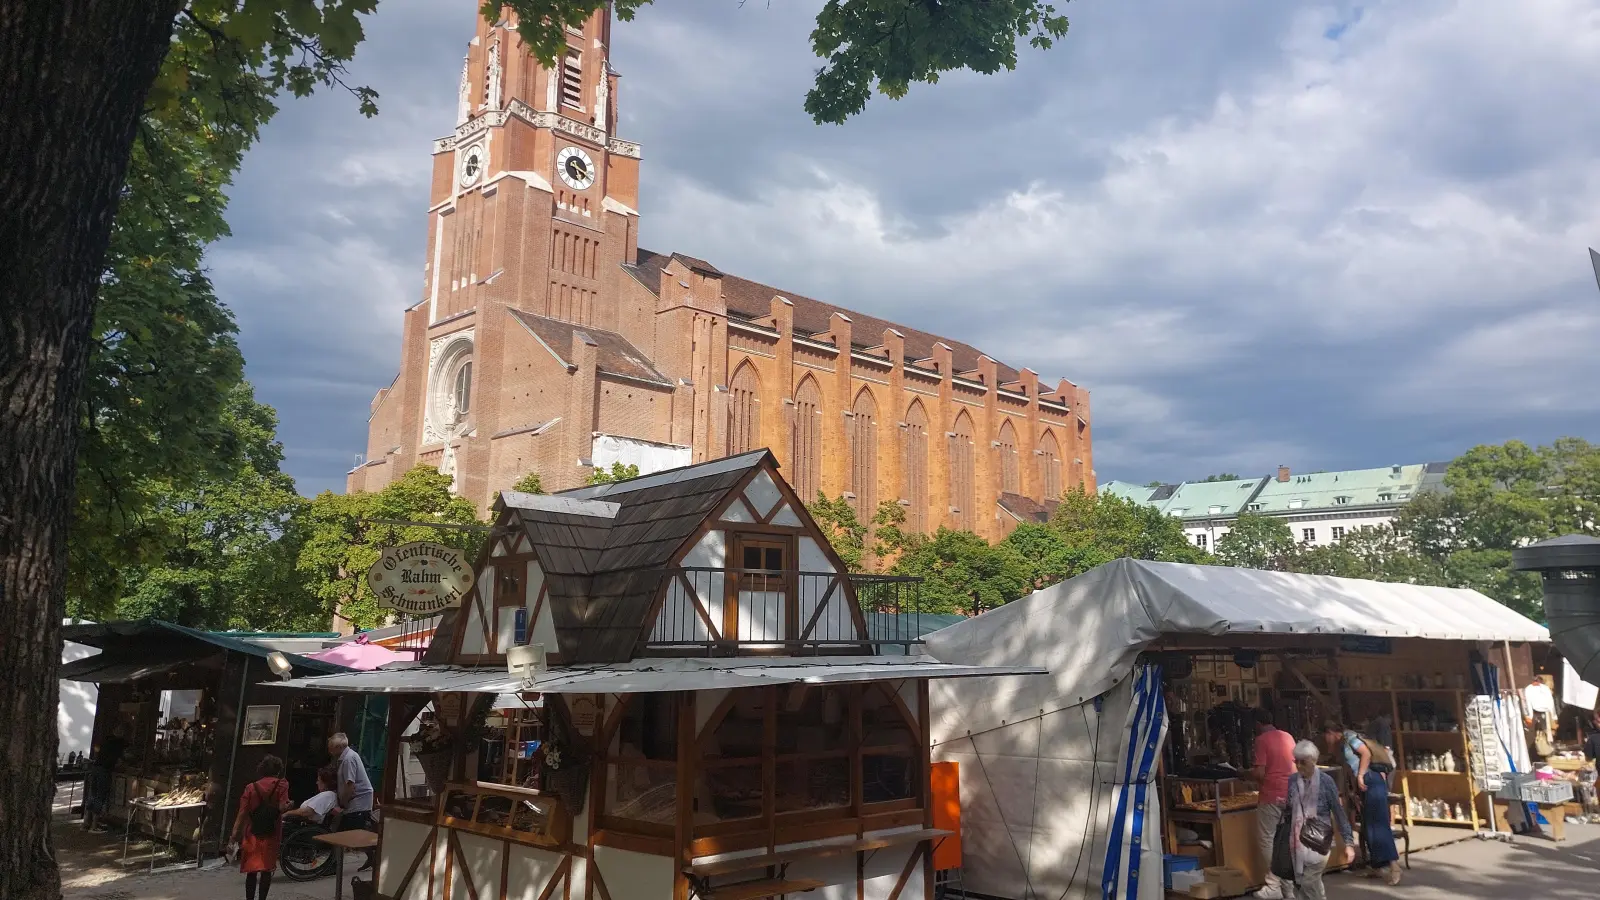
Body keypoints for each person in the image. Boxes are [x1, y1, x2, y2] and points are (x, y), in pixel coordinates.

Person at [1322, 720, 1400, 886]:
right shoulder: (1342, 744)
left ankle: (1394, 866)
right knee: (1368, 825)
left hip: (1370, 779)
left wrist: (1360, 775)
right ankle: (1377, 865)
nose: (1326, 739)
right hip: (1364, 784)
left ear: (1332, 732)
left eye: (1327, 735)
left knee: (1379, 823)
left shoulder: (1349, 738)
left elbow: (1366, 753)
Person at [1286, 740, 1355, 900]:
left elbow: (1338, 812)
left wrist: (1349, 843)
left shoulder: (1326, 781)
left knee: (1308, 882)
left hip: (1319, 839)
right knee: (1306, 885)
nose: (1299, 766)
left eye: (1303, 762)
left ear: (1313, 761)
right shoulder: (1292, 781)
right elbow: (1288, 808)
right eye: (1296, 761)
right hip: (1297, 840)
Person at [1248, 709, 1297, 899]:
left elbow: (1260, 773)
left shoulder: (1261, 740)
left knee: (1267, 839)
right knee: (1284, 842)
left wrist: (1246, 774)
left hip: (1272, 794)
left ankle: (1273, 886)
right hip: (1291, 793)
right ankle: (1288, 888)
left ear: (1257, 724)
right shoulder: (1287, 736)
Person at [232, 755, 291, 900]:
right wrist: (290, 805)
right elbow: (283, 807)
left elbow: (242, 813)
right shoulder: (282, 785)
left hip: (252, 832)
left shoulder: (250, 788)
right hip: (272, 830)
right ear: (278, 770)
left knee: (251, 871)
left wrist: (234, 835)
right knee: (267, 869)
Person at [329, 733, 375, 868]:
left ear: (338, 747)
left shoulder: (348, 759)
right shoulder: (346, 757)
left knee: (345, 832)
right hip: (358, 800)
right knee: (352, 832)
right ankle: (372, 855)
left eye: (331, 748)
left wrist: (343, 802)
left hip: (359, 801)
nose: (330, 751)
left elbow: (350, 785)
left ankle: (334, 864)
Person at [82, 723, 129, 832]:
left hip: (95, 768)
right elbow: (120, 760)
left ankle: (85, 823)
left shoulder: (106, 739)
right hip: (104, 770)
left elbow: (99, 751)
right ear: (121, 733)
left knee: (92, 795)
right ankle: (94, 825)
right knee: (100, 796)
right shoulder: (119, 743)